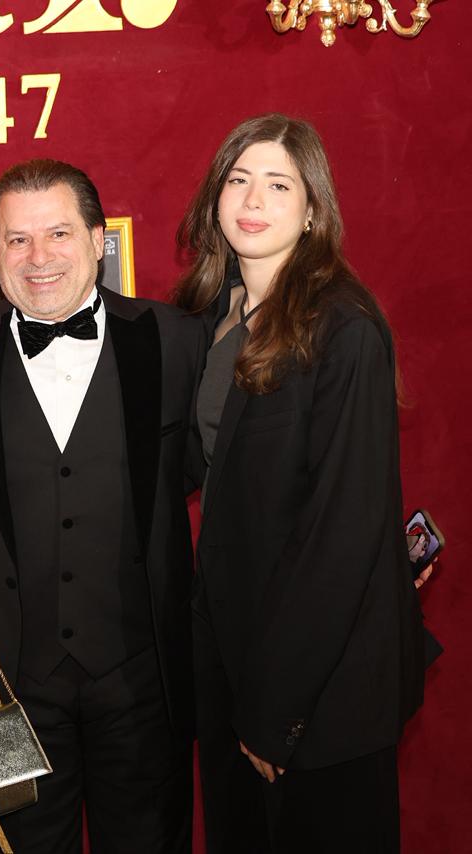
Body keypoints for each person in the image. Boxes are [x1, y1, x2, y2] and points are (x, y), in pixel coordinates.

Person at [0, 159, 205, 854]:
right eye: (17, 239)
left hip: (143, 679)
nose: (38, 257)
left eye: (58, 234)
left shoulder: (175, 338)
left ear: (98, 240)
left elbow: (215, 475)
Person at [174, 114, 425, 854]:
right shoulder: (215, 316)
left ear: (313, 209)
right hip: (236, 658)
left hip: (317, 687)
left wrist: (277, 711)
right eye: (239, 179)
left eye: (279, 185)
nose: (254, 199)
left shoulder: (344, 329)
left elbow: (341, 535)